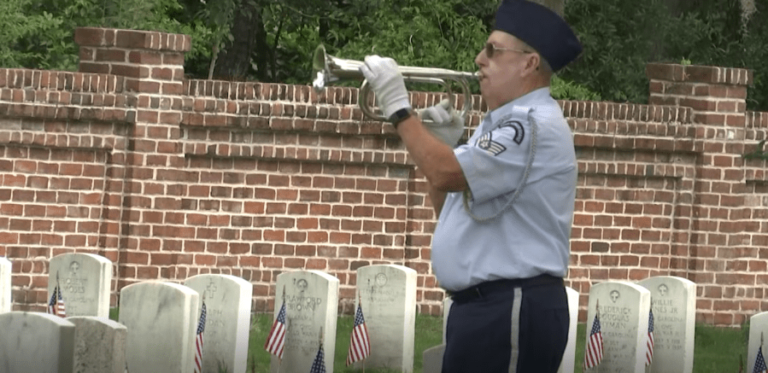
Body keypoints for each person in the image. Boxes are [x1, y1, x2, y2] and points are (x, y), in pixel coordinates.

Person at [358, 0, 582, 372]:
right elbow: (452, 209)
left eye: (493, 50)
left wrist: (399, 109)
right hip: (487, 308)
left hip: (509, 306)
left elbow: (445, 173)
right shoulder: (501, 123)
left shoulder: (526, 126)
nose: (480, 58)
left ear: (529, 63)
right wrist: (443, 144)